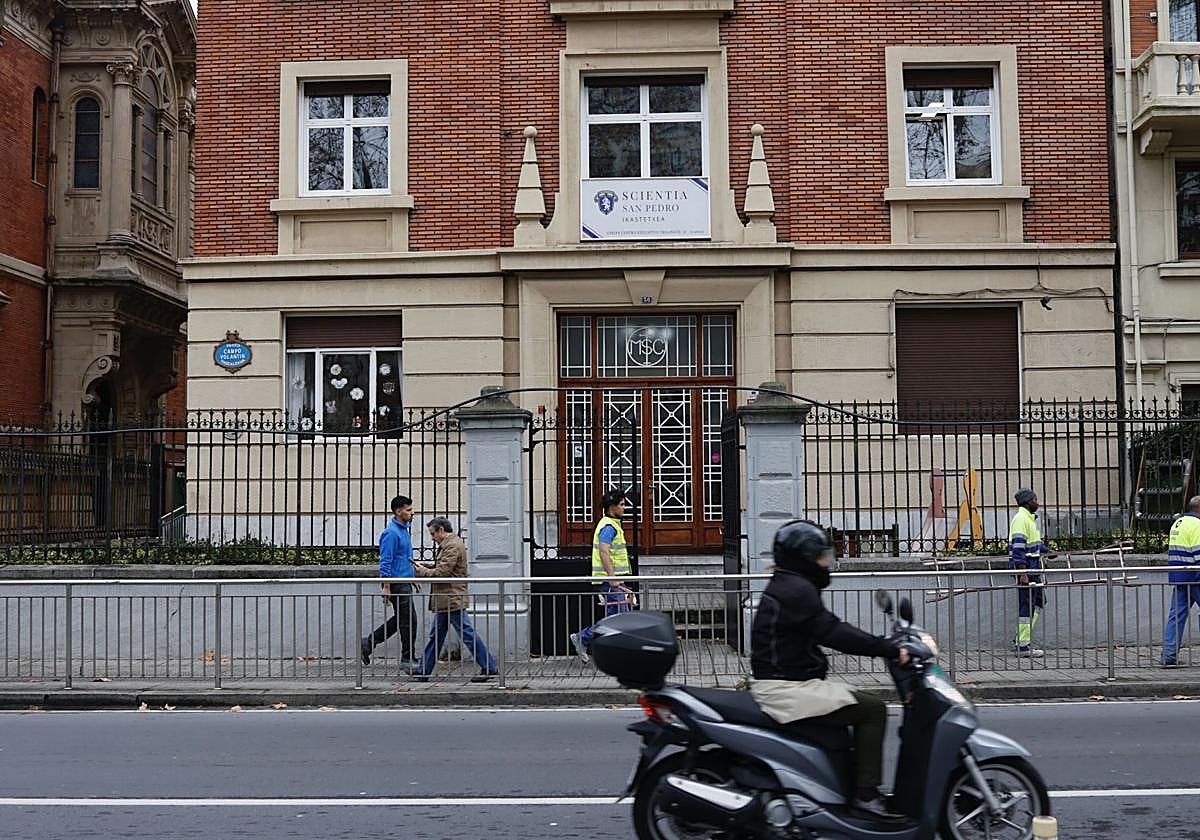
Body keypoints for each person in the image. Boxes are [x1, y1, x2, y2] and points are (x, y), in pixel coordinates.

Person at [748, 519, 908, 820]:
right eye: (822, 557)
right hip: (787, 689)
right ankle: (865, 796)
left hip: (789, 682)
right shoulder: (796, 590)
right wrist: (886, 648)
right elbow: (834, 632)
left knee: (848, 700)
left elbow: (828, 629)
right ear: (804, 558)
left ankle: (841, 786)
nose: (826, 563)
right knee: (872, 710)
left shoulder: (788, 584)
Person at [412, 517, 499, 681]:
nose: (432, 538)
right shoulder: (450, 544)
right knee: (436, 635)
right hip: (447, 598)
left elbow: (442, 573)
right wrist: (427, 566)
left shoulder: (452, 545)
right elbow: (444, 568)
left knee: (466, 634)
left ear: (441, 530)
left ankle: (489, 667)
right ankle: (424, 670)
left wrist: (424, 572)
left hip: (451, 598)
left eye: (433, 534)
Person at [569, 489, 635, 664]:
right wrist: (612, 578)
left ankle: (586, 639)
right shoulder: (608, 526)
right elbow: (604, 552)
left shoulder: (612, 524)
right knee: (620, 619)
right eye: (622, 504)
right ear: (612, 507)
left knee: (617, 618)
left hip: (613, 580)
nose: (624, 508)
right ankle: (587, 639)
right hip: (610, 581)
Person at [361, 494, 419, 670]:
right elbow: (385, 562)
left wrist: (413, 578)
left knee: (403, 619)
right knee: (409, 621)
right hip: (396, 583)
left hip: (404, 581)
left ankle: (369, 643)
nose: (412, 512)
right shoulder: (391, 533)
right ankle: (407, 658)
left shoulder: (404, 530)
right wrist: (386, 586)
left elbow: (405, 557)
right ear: (398, 511)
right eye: (408, 510)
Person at [1009, 488, 1055, 658]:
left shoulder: (1028, 519)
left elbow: (1034, 543)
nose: (1038, 502)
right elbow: (1018, 548)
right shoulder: (1021, 519)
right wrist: (1022, 573)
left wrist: (1047, 551)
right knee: (1027, 606)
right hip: (1027, 570)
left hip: (1033, 569)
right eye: (1035, 499)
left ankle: (1021, 639)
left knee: (1038, 602)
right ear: (1028, 502)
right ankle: (1023, 646)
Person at [1161, 496, 1200, 667]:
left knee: (1176, 615)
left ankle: (1169, 656)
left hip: (1179, 576)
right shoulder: (1197, 525)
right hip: (1196, 577)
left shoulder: (1179, 523)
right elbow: (1199, 553)